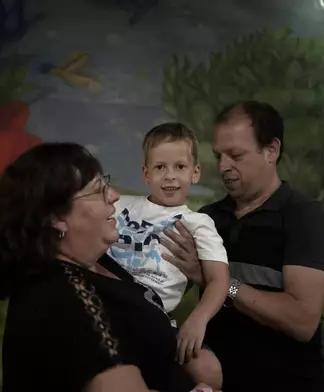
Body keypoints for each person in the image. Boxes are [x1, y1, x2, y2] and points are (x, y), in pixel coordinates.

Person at [0, 142, 218, 392]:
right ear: (57, 218)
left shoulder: (98, 261)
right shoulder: (62, 297)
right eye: (98, 190)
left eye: (106, 184)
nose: (114, 195)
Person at [160, 101, 324, 391]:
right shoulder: (207, 218)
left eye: (235, 155)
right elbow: (162, 286)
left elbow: (302, 321)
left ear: (272, 151)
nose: (223, 166)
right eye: (218, 155)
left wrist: (220, 283)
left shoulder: (304, 216)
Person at [107, 123, 229, 389]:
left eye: (180, 167)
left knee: (209, 370)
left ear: (195, 173)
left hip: (153, 319)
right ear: (146, 173)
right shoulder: (119, 204)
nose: (170, 176)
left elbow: (219, 280)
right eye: (160, 167)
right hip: (108, 307)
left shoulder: (198, 222)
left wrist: (197, 320)